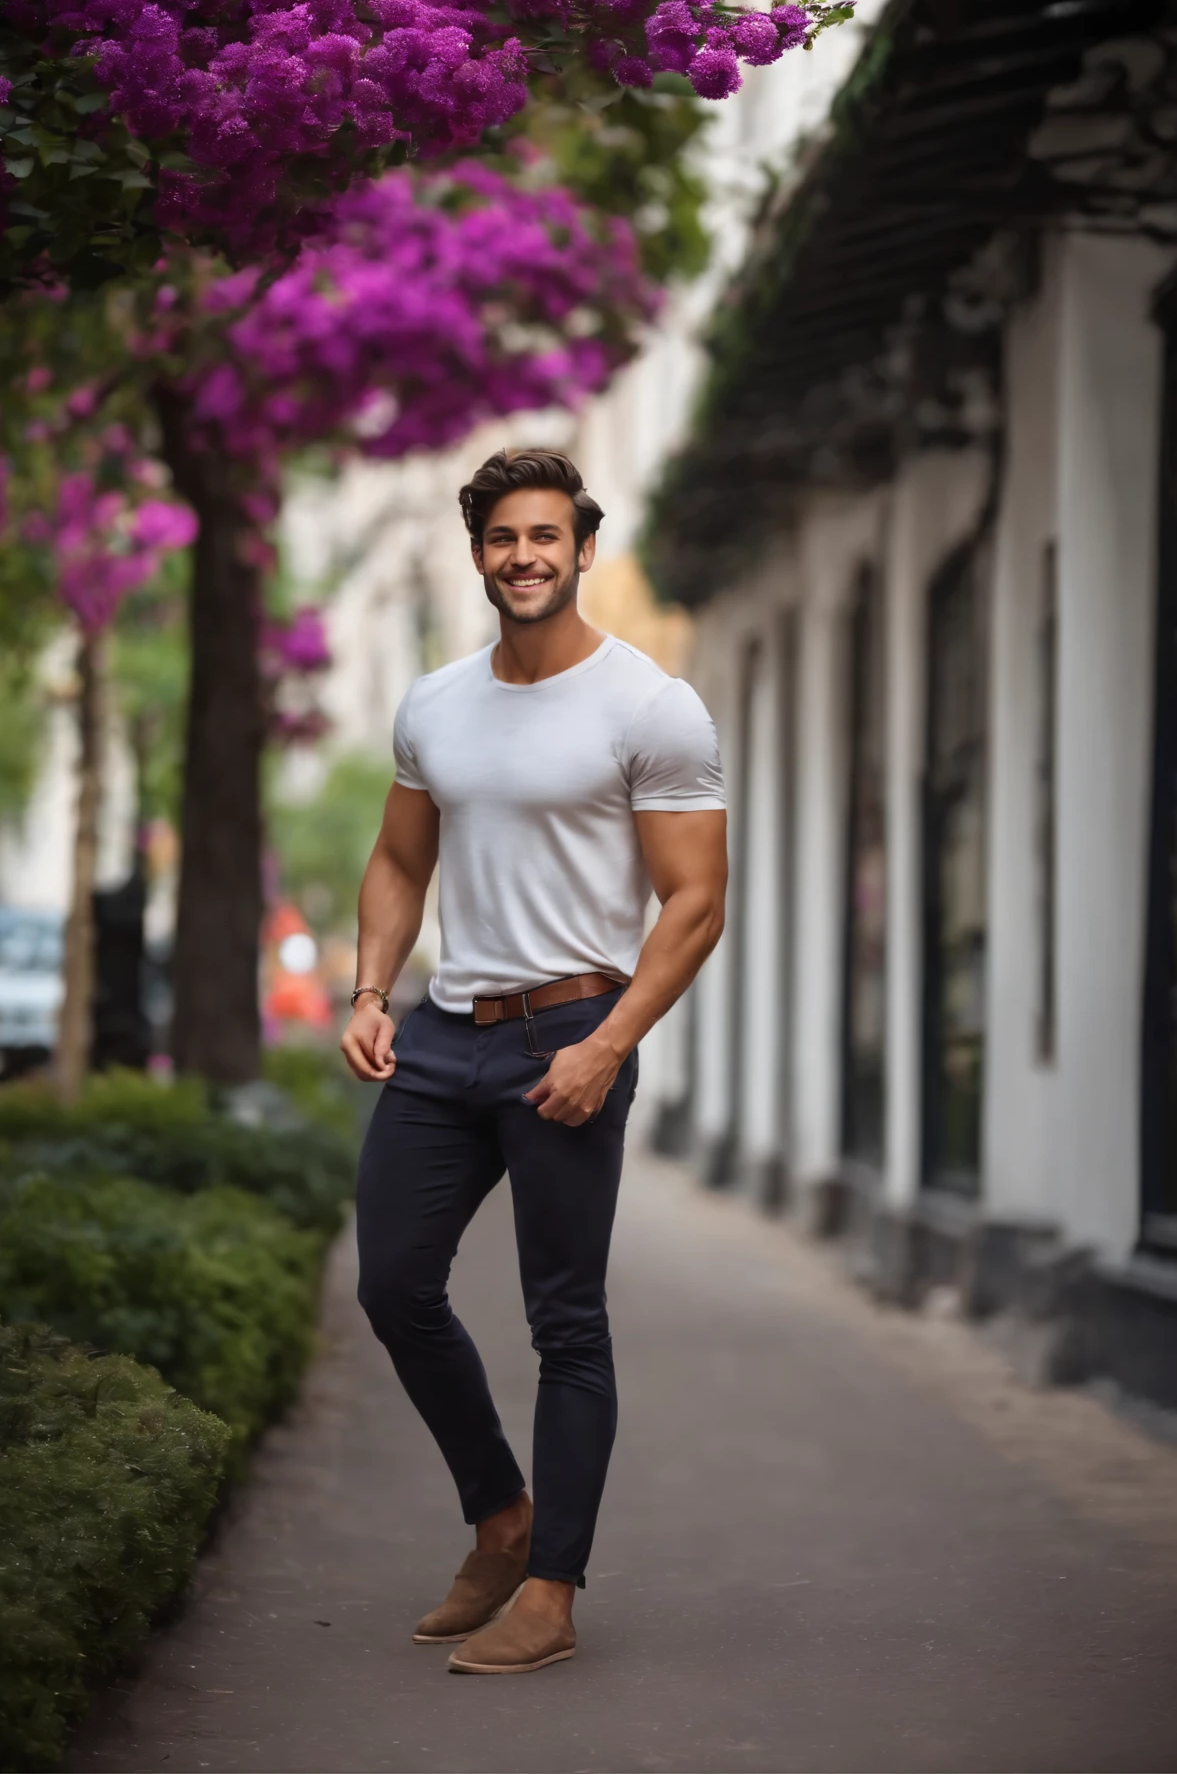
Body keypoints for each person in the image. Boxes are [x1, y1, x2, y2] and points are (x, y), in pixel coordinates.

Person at [340, 448, 727, 1675]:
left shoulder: (650, 706)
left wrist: (611, 1045)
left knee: (565, 1322)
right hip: (448, 1031)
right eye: (504, 538)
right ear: (478, 554)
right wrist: (368, 989)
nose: (524, 557)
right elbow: (401, 861)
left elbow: (696, 903)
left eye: (545, 537)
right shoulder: (437, 703)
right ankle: (500, 1514)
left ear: (582, 549)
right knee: (391, 1283)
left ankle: (551, 1591)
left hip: (573, 1030)